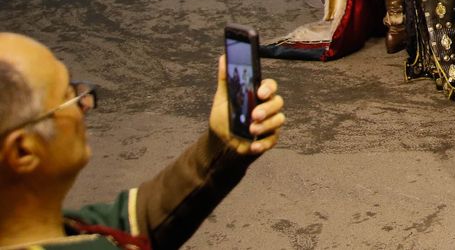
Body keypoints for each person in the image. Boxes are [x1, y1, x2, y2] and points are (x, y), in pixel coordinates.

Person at [0, 35, 286, 250]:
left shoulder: (47, 230)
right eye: (69, 96)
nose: (85, 104)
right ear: (23, 151)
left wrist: (221, 146)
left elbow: (133, 224)